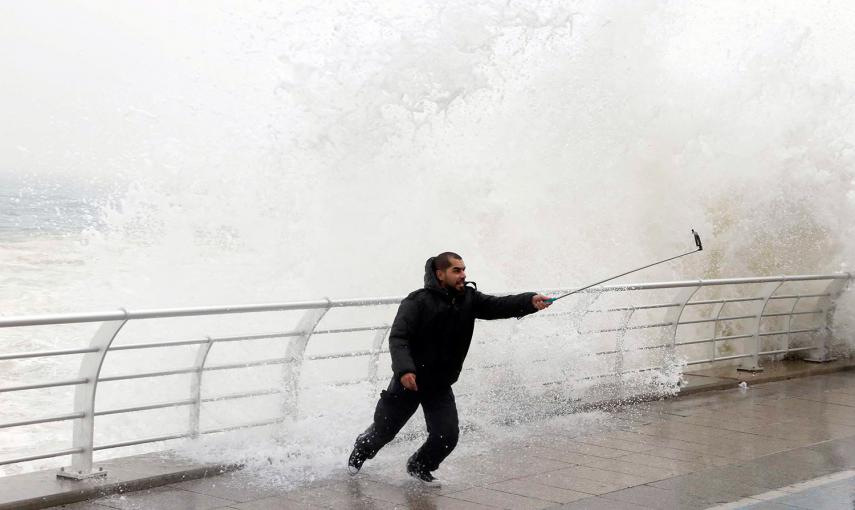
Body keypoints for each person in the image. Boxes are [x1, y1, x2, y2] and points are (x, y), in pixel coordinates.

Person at [346, 252, 552, 485]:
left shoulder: (470, 299)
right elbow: (398, 338)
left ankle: (418, 466)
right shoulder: (416, 302)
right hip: (408, 382)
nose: (463, 275)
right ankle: (361, 450)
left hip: (439, 384)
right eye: (457, 270)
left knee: (447, 436)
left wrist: (529, 301)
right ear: (439, 274)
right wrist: (405, 370)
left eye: (464, 270)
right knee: (384, 431)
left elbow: (499, 306)